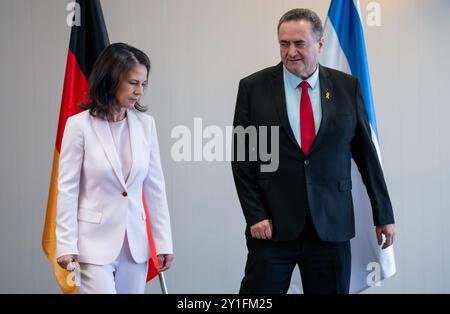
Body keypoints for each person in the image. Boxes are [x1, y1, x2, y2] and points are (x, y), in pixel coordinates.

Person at [232, 8, 395, 294]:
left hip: (330, 228)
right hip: (272, 227)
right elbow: (243, 159)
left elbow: (367, 157)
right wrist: (255, 215)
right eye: (284, 44)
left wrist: (384, 214)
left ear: (320, 45)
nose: (290, 52)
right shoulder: (253, 88)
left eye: (299, 43)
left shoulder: (347, 87)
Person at [56, 43, 173, 294]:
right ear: (111, 80)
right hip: (92, 246)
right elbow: (67, 189)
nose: (139, 91)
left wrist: (163, 242)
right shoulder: (79, 126)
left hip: (135, 245)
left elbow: (155, 188)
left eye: (143, 84)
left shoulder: (146, 125)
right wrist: (66, 244)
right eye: (133, 83)